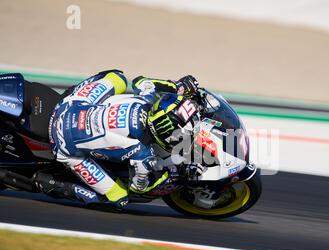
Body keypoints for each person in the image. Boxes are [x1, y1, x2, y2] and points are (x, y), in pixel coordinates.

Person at [34, 69, 205, 207]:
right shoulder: (142, 154)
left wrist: (176, 87)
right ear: (163, 131)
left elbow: (140, 81)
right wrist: (177, 173)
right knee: (119, 197)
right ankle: (51, 182)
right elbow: (139, 187)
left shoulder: (147, 97)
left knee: (117, 77)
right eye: (178, 135)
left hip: (70, 105)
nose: (181, 138)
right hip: (64, 145)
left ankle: (68, 94)